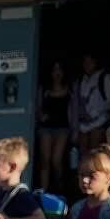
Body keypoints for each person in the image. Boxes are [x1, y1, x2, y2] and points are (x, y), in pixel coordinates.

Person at [70, 51, 110, 171]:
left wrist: (94, 113)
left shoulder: (105, 77)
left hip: (99, 122)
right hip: (82, 124)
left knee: (95, 155)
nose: (87, 65)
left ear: (95, 62)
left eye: (89, 62)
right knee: (83, 156)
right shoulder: (81, 80)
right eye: (85, 62)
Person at [35, 59, 73, 197]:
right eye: (54, 70)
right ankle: (43, 192)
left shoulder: (69, 90)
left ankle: (59, 187)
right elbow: (37, 108)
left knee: (56, 159)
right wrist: (40, 116)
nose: (57, 73)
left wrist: (74, 131)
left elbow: (74, 112)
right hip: (46, 128)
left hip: (62, 128)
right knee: (45, 159)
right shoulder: (44, 89)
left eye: (59, 70)